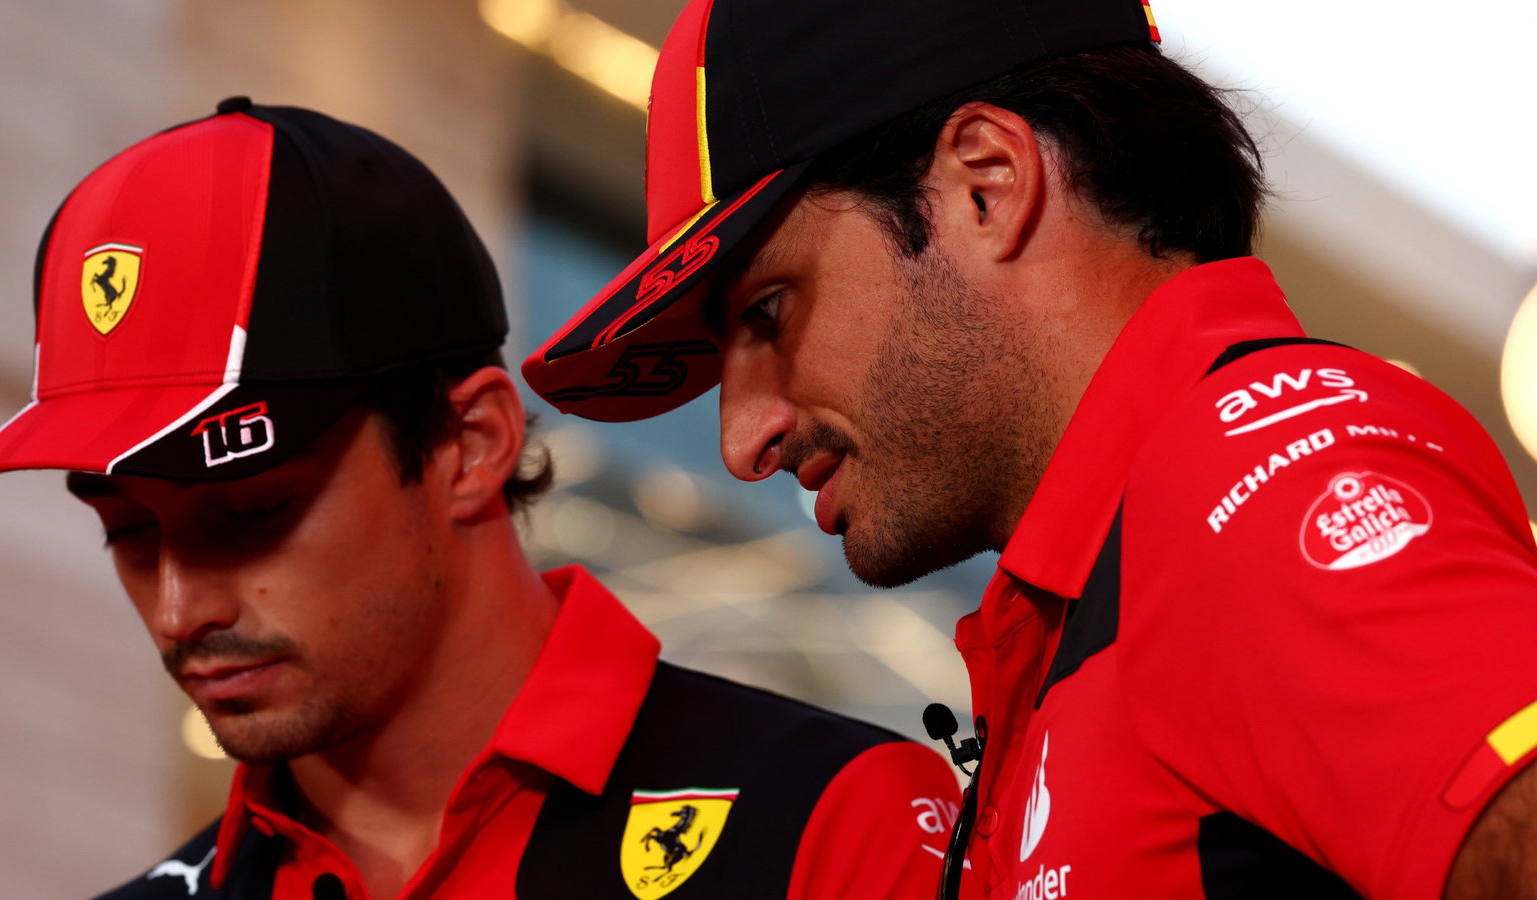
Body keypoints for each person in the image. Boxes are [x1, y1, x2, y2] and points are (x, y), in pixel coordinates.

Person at [520, 0, 1537, 897]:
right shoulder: (1115, 572)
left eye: (769, 312)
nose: (742, 437)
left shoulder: (1243, 482)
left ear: (987, 186)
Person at [0, 97, 971, 900]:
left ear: (470, 444)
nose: (178, 610)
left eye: (250, 514)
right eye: (127, 534)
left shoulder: (834, 829)